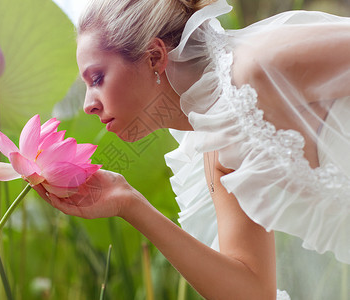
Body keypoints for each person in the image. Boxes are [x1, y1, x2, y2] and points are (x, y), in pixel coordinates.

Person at [34, 0, 350, 299]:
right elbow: (252, 291)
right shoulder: (219, 142)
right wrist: (129, 203)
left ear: (154, 57)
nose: (88, 105)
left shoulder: (257, 66)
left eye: (98, 78)